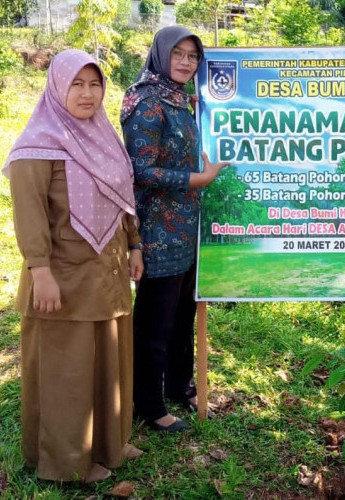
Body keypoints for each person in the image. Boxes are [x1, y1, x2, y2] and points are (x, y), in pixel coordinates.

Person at [3, 49, 144, 482]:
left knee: (109, 360)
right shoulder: (36, 146)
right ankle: (68, 463)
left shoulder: (102, 136)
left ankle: (107, 442)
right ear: (57, 87)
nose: (87, 94)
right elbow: (28, 216)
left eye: (94, 84)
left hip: (107, 272)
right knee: (68, 370)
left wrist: (135, 244)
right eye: (76, 84)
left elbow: (123, 197)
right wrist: (40, 272)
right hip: (61, 277)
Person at [121, 26, 228, 432]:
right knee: (155, 320)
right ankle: (149, 405)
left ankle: (178, 386)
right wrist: (198, 180)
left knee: (183, 313)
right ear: (161, 54)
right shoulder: (146, 101)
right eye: (178, 54)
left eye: (192, 56)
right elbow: (140, 171)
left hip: (186, 226)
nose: (185, 62)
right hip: (157, 230)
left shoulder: (181, 100)